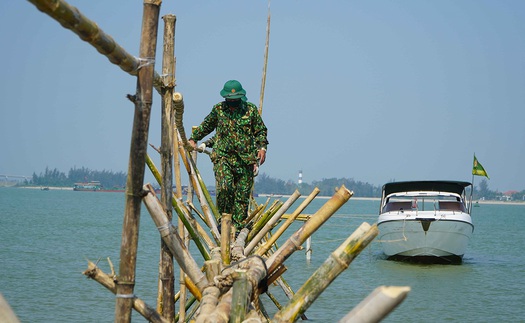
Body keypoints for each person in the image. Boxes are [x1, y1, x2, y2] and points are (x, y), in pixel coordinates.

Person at [188, 80, 269, 230]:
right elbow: (207, 125)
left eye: (235, 99)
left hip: (245, 159)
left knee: (242, 195)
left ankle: (238, 228)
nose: (232, 102)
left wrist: (262, 148)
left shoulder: (250, 110)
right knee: (225, 188)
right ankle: (224, 221)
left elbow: (260, 131)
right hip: (222, 156)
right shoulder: (219, 109)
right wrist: (194, 138)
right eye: (230, 99)